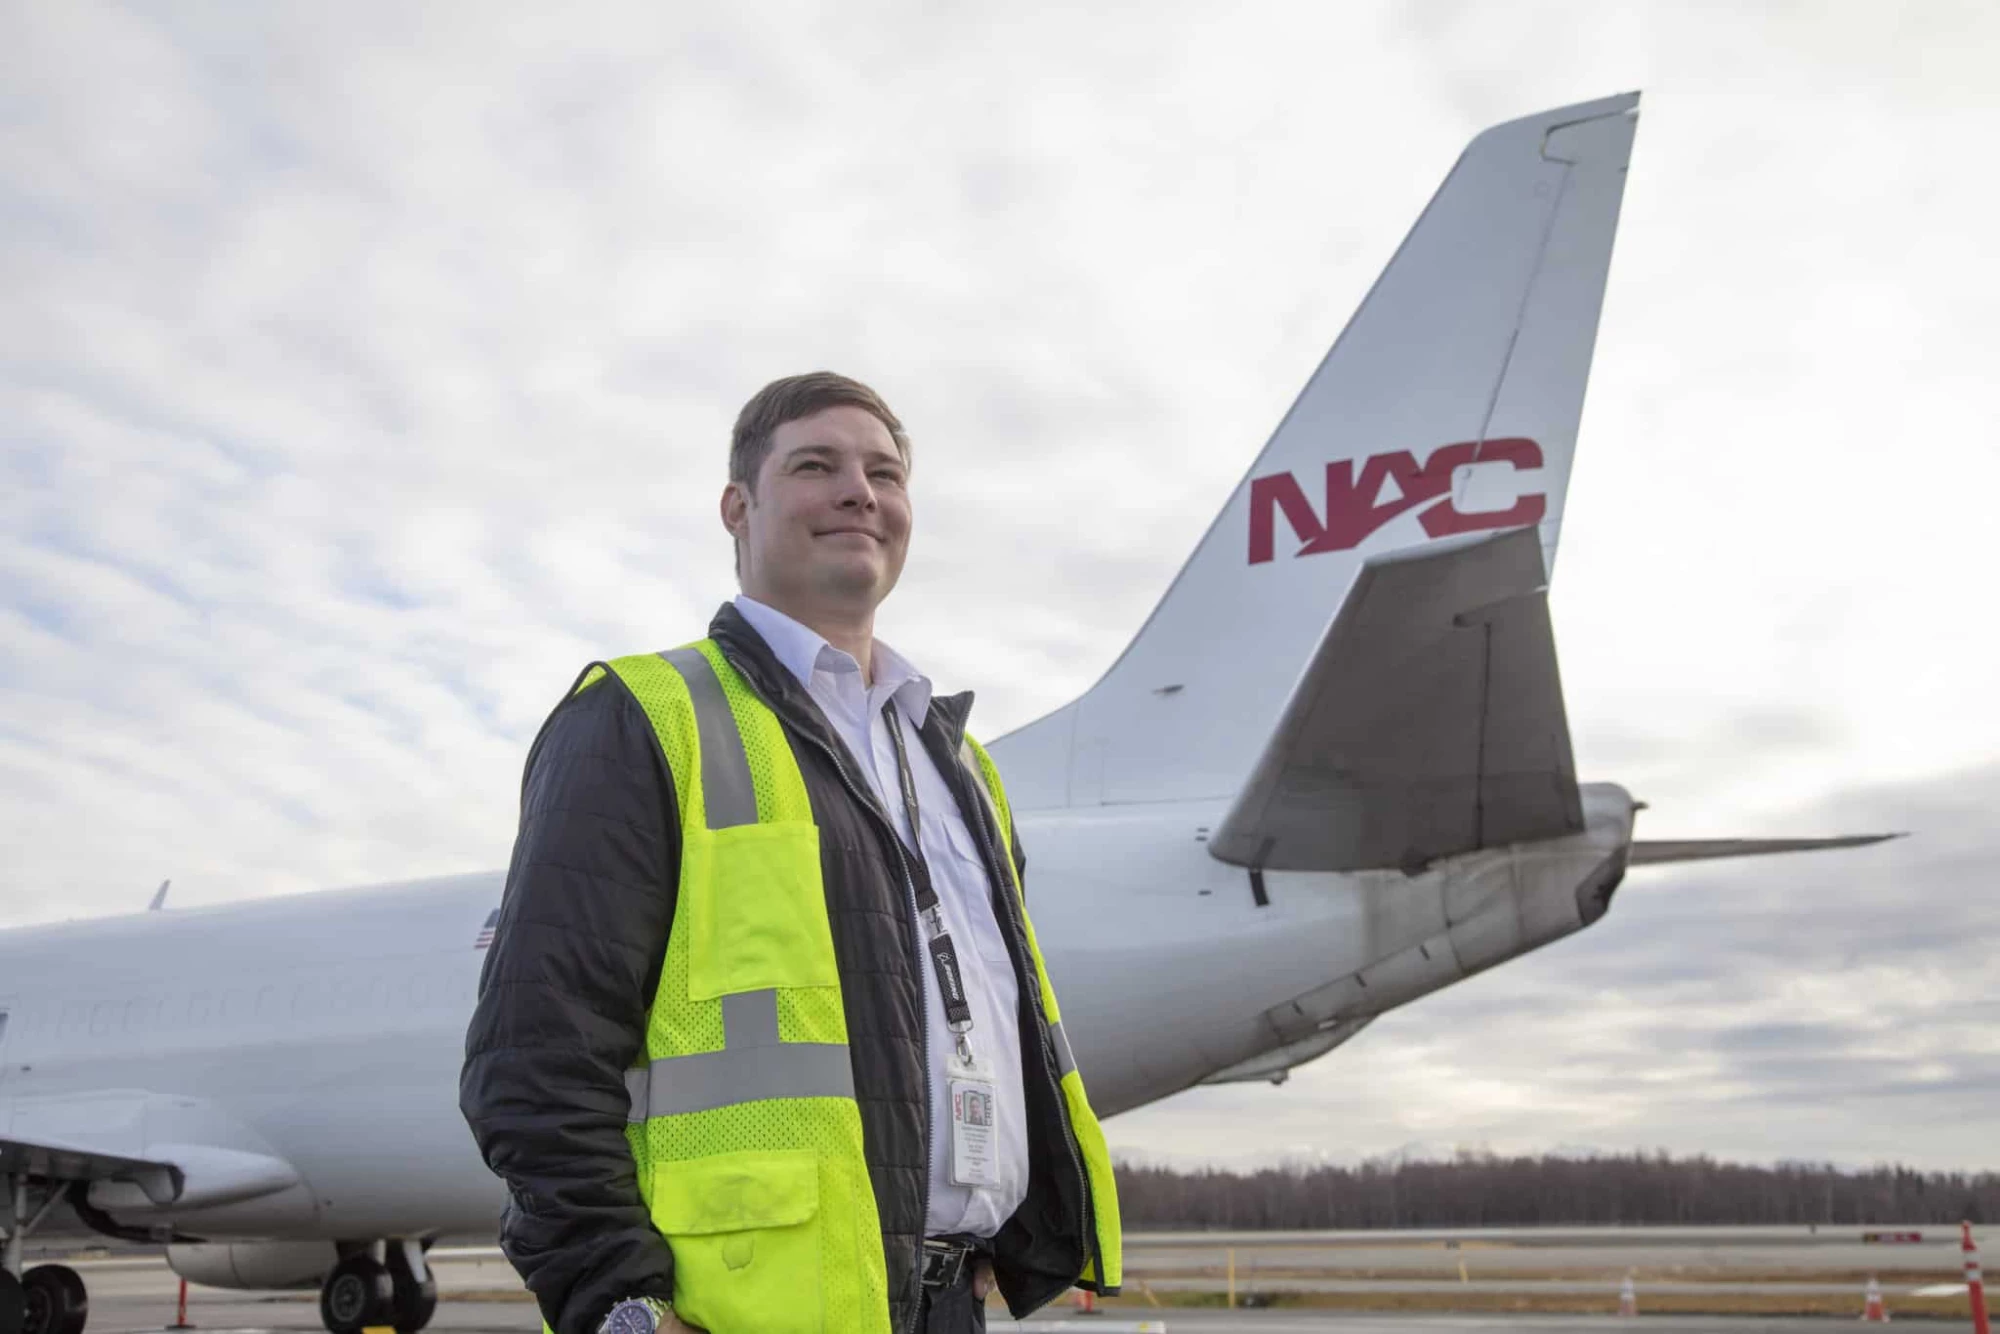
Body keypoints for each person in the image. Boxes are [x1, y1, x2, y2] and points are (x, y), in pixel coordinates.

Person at [460, 372, 1122, 1334]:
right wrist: (617, 1303)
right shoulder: (646, 718)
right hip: (737, 1314)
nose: (862, 491)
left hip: (947, 1304)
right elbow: (536, 1053)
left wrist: (986, 1254)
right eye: (817, 465)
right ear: (738, 508)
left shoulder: (960, 765)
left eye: (885, 473)